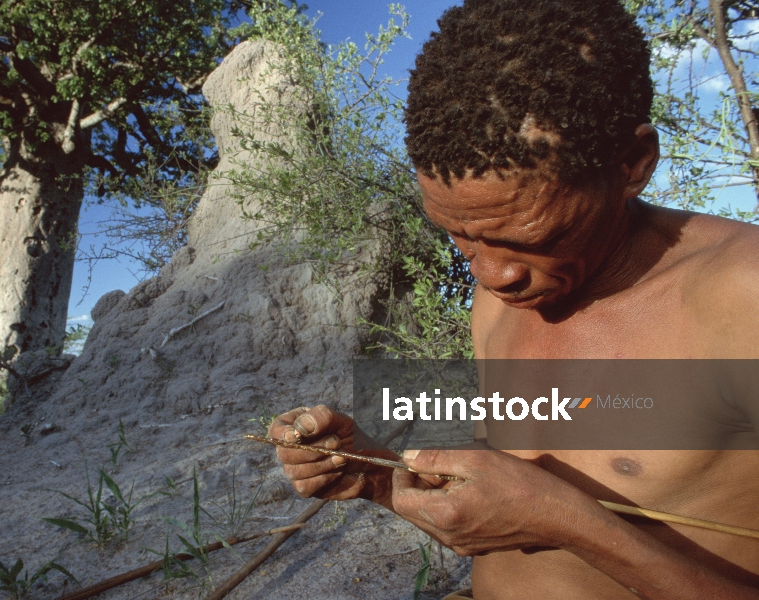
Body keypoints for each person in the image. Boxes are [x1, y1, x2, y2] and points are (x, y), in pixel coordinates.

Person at [269, 1, 759, 598]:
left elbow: (547, 516)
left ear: (632, 165)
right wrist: (377, 478)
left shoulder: (741, 297)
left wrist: (569, 521)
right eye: (460, 235)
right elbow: (505, 517)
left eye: (533, 237)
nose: (495, 274)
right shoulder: (502, 298)